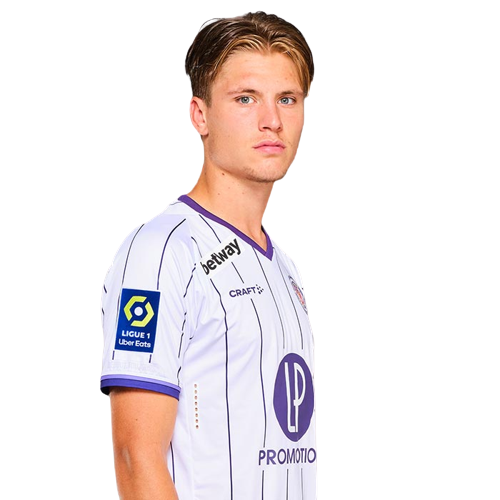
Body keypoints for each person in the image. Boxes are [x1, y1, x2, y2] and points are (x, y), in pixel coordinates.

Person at [100, 10, 317, 499]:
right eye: (245, 98)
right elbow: (136, 458)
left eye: (287, 99)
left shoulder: (286, 269)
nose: (272, 120)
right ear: (199, 114)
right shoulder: (160, 253)